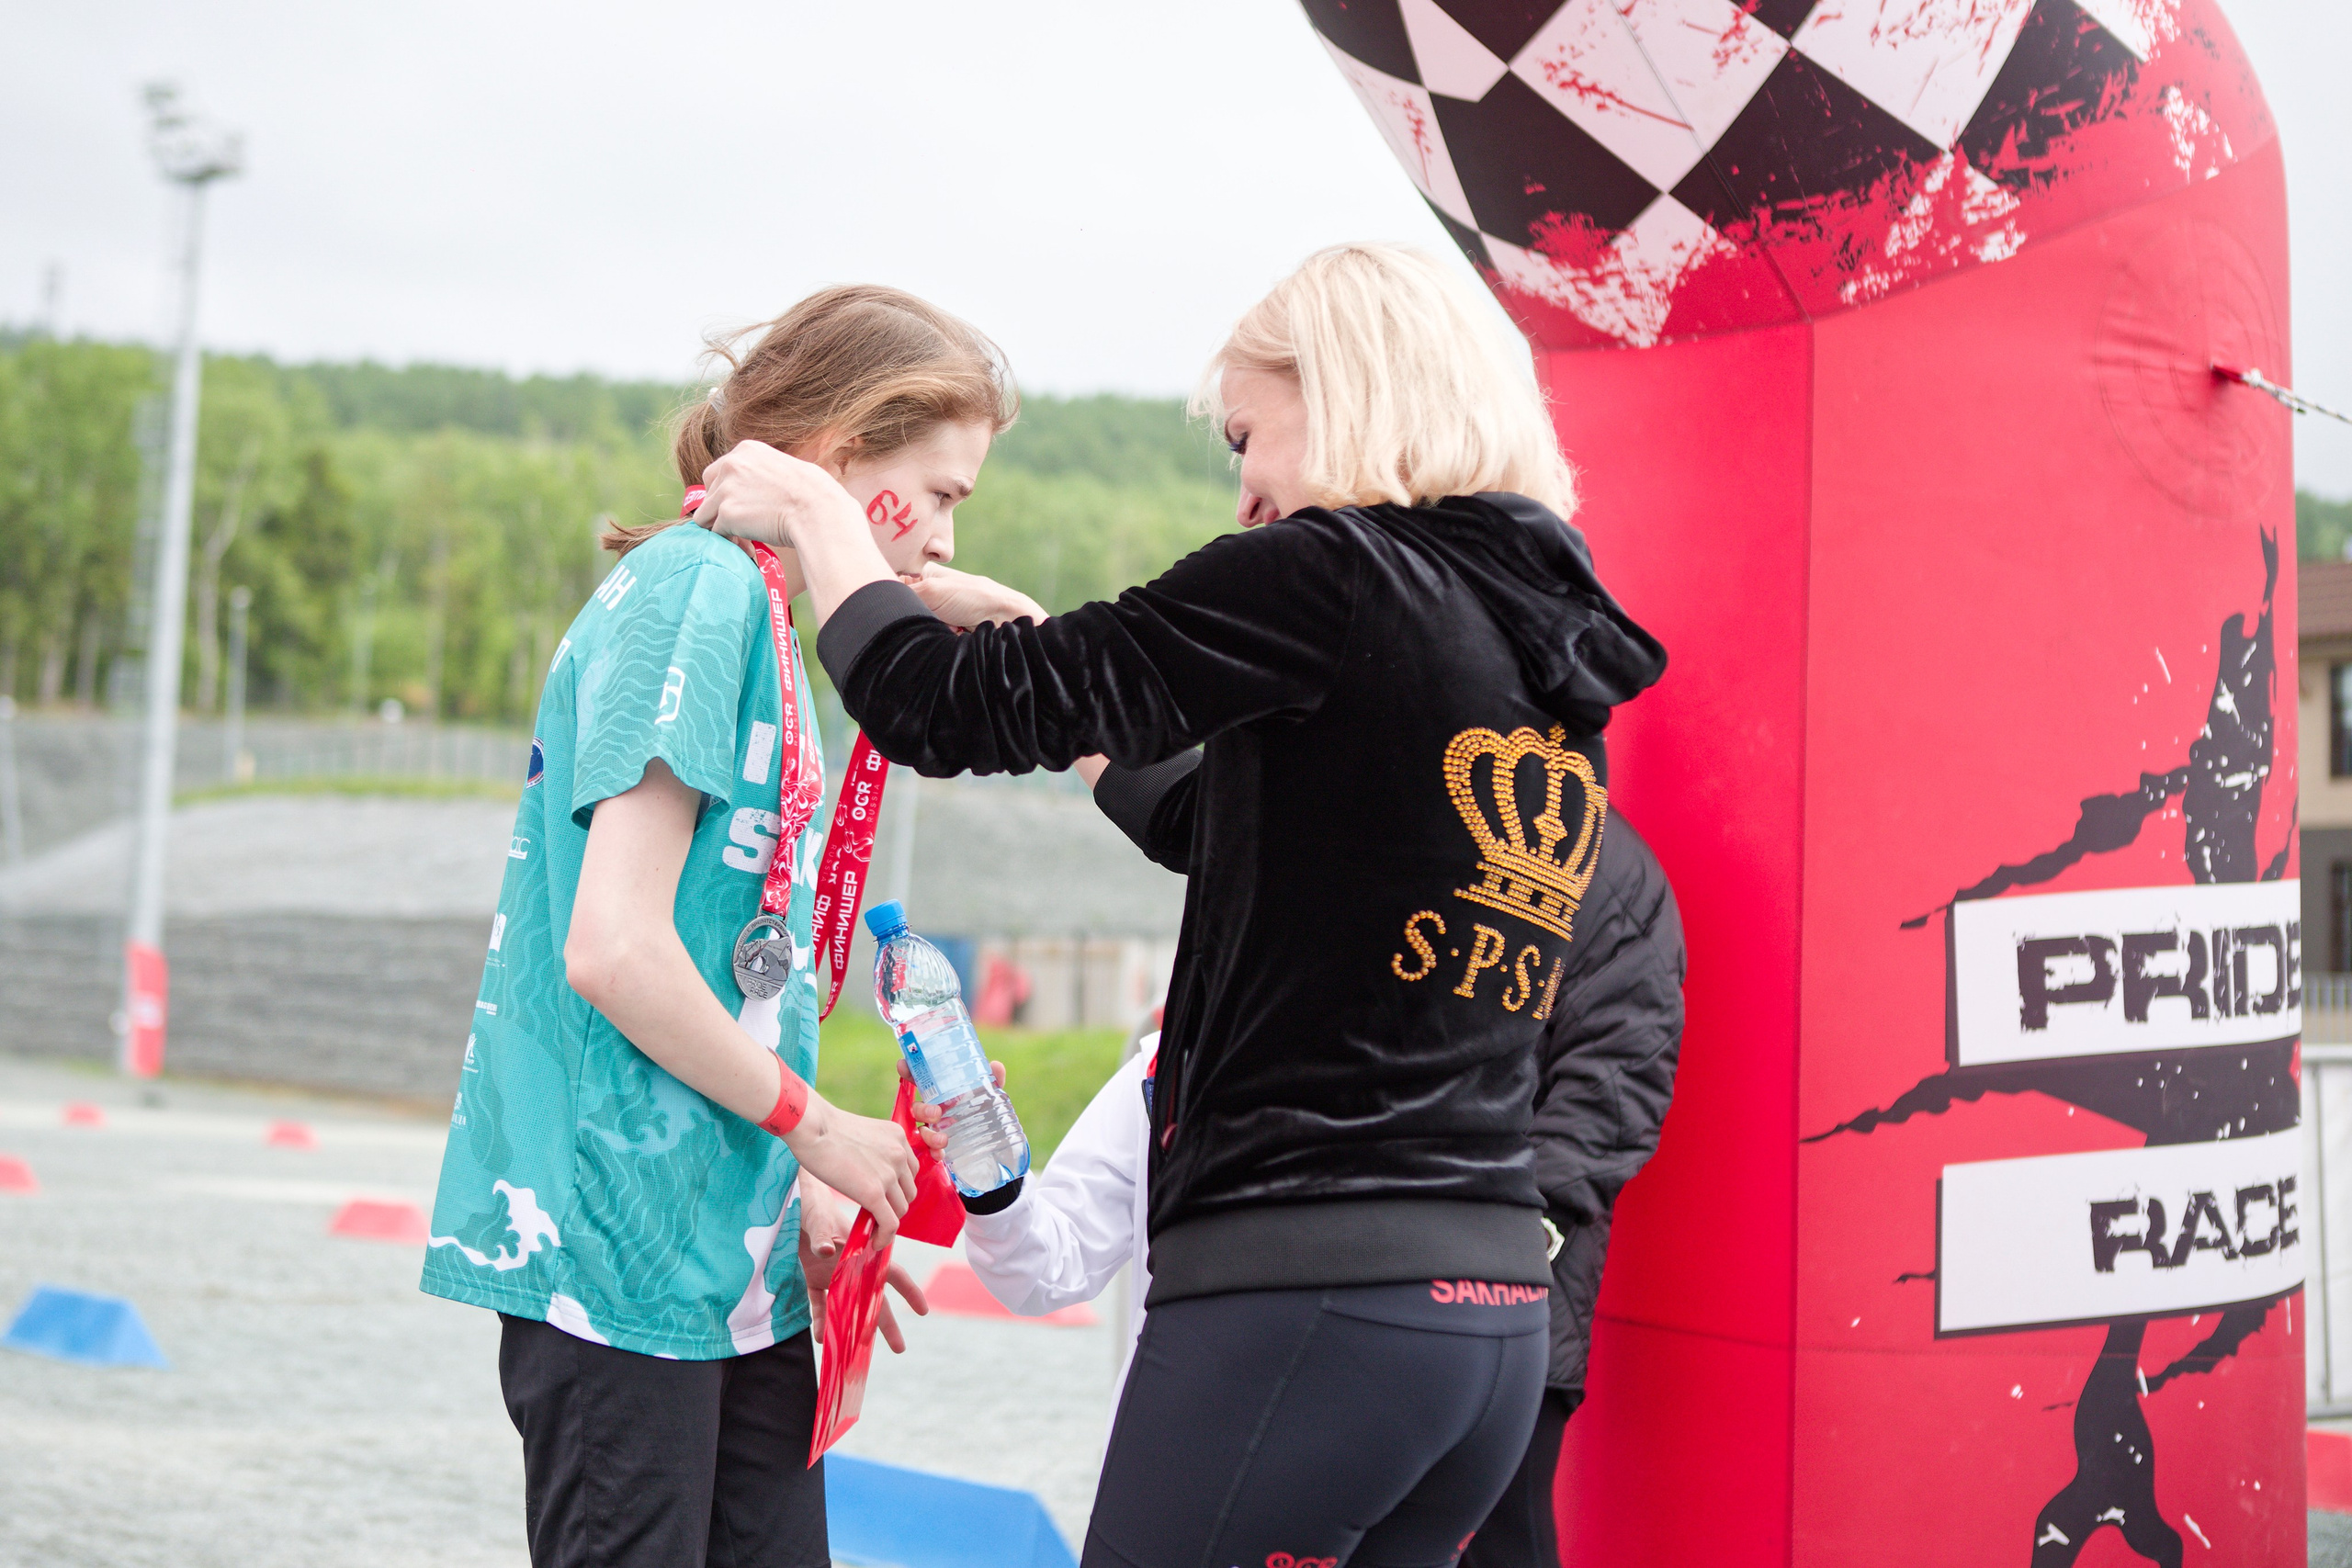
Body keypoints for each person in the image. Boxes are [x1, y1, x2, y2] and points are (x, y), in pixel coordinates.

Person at [696, 243, 1669, 1566]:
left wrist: (819, 511)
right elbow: (1216, 823)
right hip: (1482, 1326)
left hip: (1311, 1295)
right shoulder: (1530, 642)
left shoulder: (1334, 574)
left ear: (1348, 396)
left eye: (1247, 437)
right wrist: (1022, 630)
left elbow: (936, 709)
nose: (1245, 491)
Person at [420, 284, 1016, 1568]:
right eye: (941, 491)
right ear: (844, 455)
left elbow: (723, 966)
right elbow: (614, 947)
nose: (943, 532)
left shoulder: (760, 615)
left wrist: (789, 1180)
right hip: (619, 1254)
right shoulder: (696, 588)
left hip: (724, 1260)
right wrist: (820, 1126)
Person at [959, 816, 1684, 1567]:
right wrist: (985, 1159)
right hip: (1282, 1381)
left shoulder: (1591, 874)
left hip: (1472, 1317)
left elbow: (1613, 1089)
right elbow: (1048, 1259)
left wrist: (1506, 1240)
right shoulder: (1165, 1069)